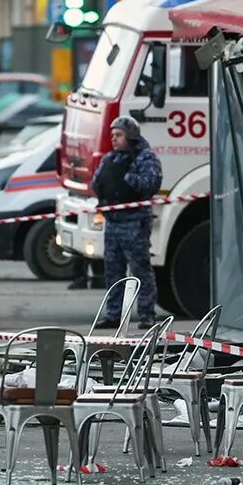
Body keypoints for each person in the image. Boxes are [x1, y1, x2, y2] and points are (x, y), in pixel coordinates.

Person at [91, 116, 162, 329]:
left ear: (130, 136)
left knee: (140, 269)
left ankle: (147, 314)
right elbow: (96, 182)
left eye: (118, 135)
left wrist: (127, 178)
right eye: (112, 135)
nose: (114, 139)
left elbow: (151, 184)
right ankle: (114, 314)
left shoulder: (145, 158)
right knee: (113, 270)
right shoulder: (110, 158)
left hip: (135, 222)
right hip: (113, 223)